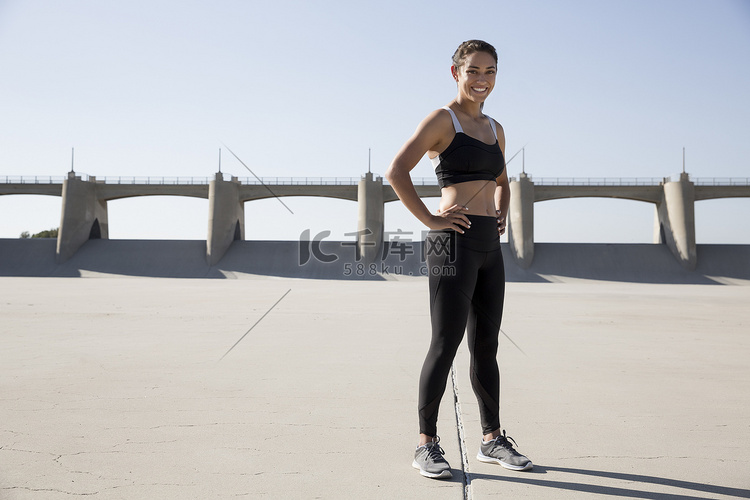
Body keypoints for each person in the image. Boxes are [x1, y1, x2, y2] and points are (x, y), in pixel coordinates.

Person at [385, 39, 532, 480]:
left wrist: (501, 205)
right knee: (445, 344)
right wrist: (431, 219)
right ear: (456, 73)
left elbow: (502, 178)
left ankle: (492, 439)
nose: (482, 79)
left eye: (490, 71)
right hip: (452, 243)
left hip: (489, 244)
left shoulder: (495, 128)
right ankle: (425, 445)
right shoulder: (441, 120)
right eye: (473, 71)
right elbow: (396, 171)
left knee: (487, 345)